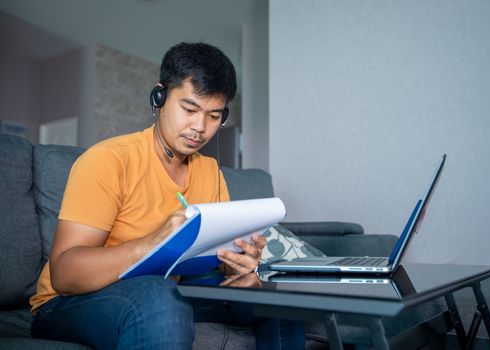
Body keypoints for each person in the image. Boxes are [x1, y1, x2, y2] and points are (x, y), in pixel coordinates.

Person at [30, 42, 304, 349]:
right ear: (159, 96)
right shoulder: (108, 161)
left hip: (165, 288)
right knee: (159, 295)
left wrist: (241, 266)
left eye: (214, 116)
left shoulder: (211, 172)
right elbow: (65, 274)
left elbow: (220, 256)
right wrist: (153, 243)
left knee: (276, 298)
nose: (199, 127)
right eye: (189, 109)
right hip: (68, 303)